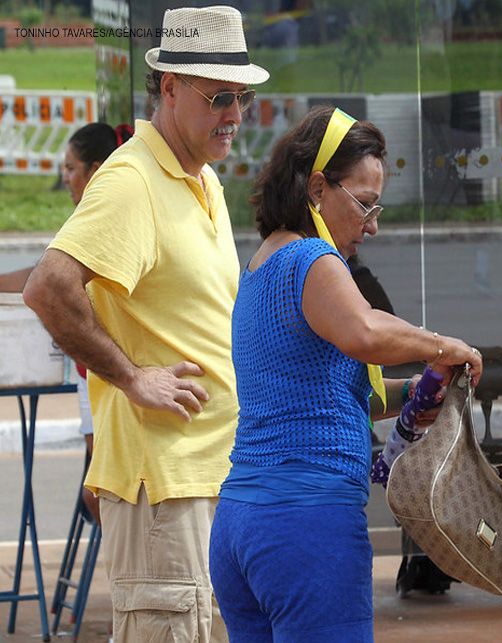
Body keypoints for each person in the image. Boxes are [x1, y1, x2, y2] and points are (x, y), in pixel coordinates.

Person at [23, 6, 269, 641]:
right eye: (219, 98)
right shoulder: (132, 180)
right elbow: (48, 287)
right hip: (162, 485)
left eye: (241, 99)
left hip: (210, 475)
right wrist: (133, 378)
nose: (234, 116)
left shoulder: (201, 178)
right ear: (169, 88)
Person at [208, 105, 483, 642]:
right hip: (305, 526)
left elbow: (326, 391)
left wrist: (416, 393)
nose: (372, 225)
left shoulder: (261, 267)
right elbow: (366, 332)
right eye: (364, 204)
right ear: (317, 189)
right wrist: (444, 347)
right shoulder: (313, 259)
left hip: (240, 524)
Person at [0, 122, 132, 523]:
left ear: (95, 170)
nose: (65, 179)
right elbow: (44, 275)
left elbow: (44, 281)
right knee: (99, 492)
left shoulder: (107, 218)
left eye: (71, 169)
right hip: (92, 374)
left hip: (104, 373)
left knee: (100, 495)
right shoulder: (91, 217)